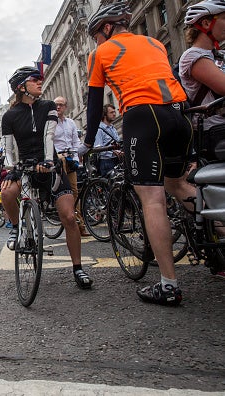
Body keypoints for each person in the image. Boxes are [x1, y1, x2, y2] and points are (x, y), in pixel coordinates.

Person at [83, 2, 196, 305]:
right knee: (179, 183)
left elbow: (94, 104)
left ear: (106, 29)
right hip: (179, 113)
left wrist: (88, 142)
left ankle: (169, 285)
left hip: (144, 116)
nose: (95, 41)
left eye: (95, 35)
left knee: (152, 199)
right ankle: (211, 239)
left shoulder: (101, 53)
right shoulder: (155, 42)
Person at [0, 66, 92, 289]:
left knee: (69, 217)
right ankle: (15, 227)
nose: (40, 82)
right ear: (22, 87)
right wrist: (12, 168)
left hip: (49, 163)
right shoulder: (10, 116)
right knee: (6, 192)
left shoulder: (48, 106)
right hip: (25, 165)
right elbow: (8, 148)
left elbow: (49, 136)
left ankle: (78, 268)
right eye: (35, 79)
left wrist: (49, 161)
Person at [179, 0, 225, 163]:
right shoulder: (192, 56)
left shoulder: (217, 55)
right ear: (206, 23)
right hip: (215, 132)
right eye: (224, 18)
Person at [53, 96, 90, 237]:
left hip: (70, 160)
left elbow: (76, 142)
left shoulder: (71, 123)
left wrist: (75, 158)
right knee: (62, 192)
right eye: (56, 104)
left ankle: (80, 225)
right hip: (58, 161)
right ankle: (64, 215)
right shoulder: (50, 123)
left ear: (65, 107)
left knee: (74, 191)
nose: (58, 107)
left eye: (61, 105)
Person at [93, 104, 122, 177]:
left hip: (117, 160)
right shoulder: (99, 130)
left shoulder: (113, 128)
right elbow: (98, 148)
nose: (114, 114)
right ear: (105, 115)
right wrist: (112, 152)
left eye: (114, 112)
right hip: (106, 162)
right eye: (111, 112)